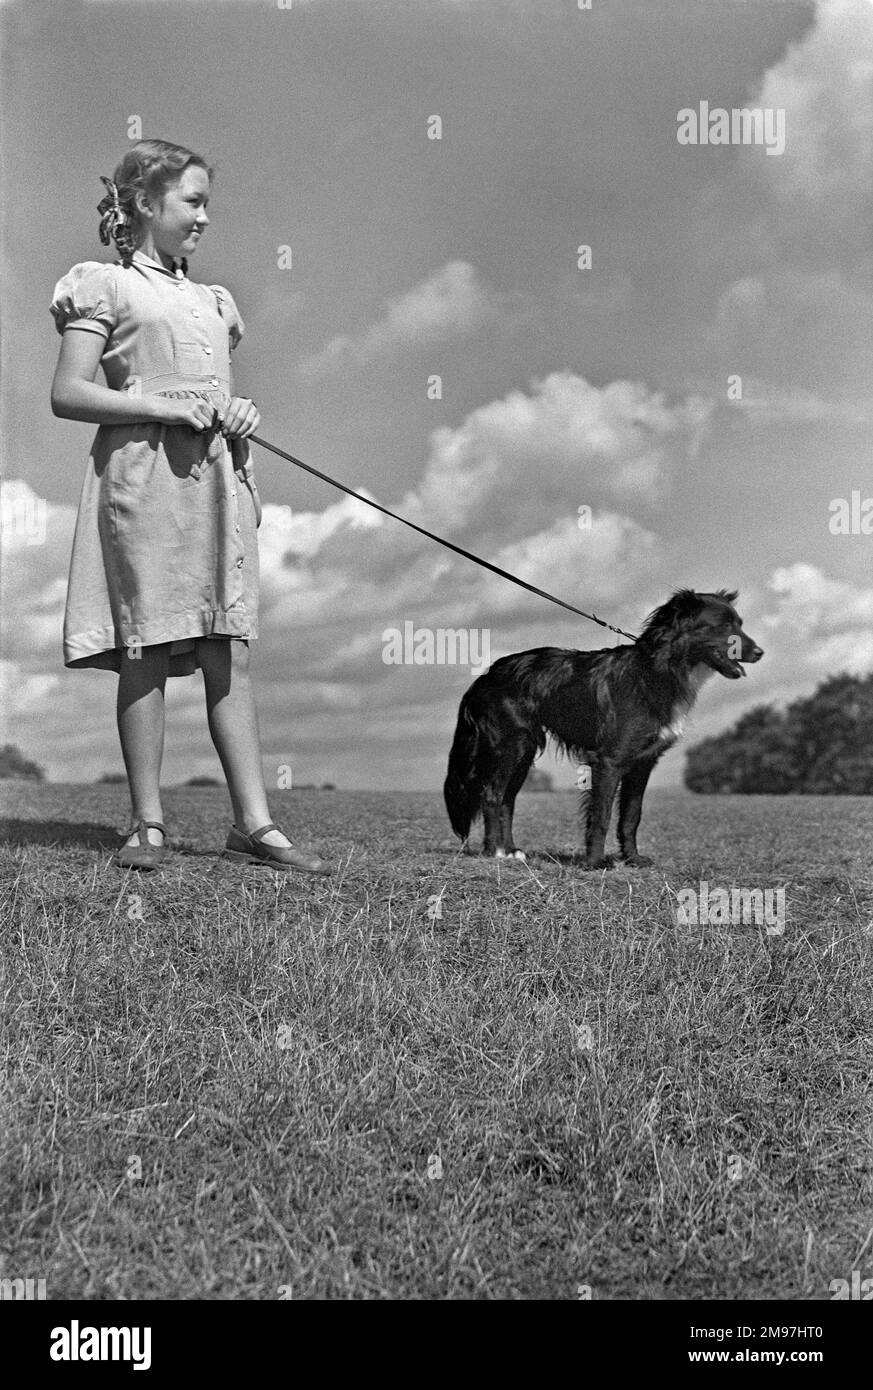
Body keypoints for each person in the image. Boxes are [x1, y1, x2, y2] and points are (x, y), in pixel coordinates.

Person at [50, 139, 329, 875]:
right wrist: (160, 406)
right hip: (143, 480)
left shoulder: (213, 303)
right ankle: (146, 821)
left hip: (217, 482)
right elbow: (69, 393)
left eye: (208, 204)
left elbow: (213, 391)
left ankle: (256, 825)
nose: (206, 217)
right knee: (144, 645)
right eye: (193, 202)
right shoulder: (103, 287)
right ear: (145, 204)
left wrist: (240, 414)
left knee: (226, 646)